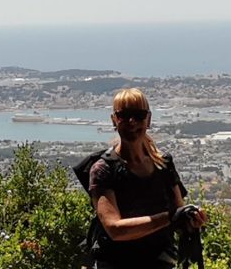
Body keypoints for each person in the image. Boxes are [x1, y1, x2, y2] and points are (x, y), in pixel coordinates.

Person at [77, 88, 207, 269]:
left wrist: (191, 220)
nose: (132, 122)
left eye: (138, 115)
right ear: (114, 120)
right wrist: (170, 217)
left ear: (149, 119)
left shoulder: (164, 164)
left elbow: (179, 215)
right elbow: (115, 229)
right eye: (124, 115)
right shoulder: (103, 169)